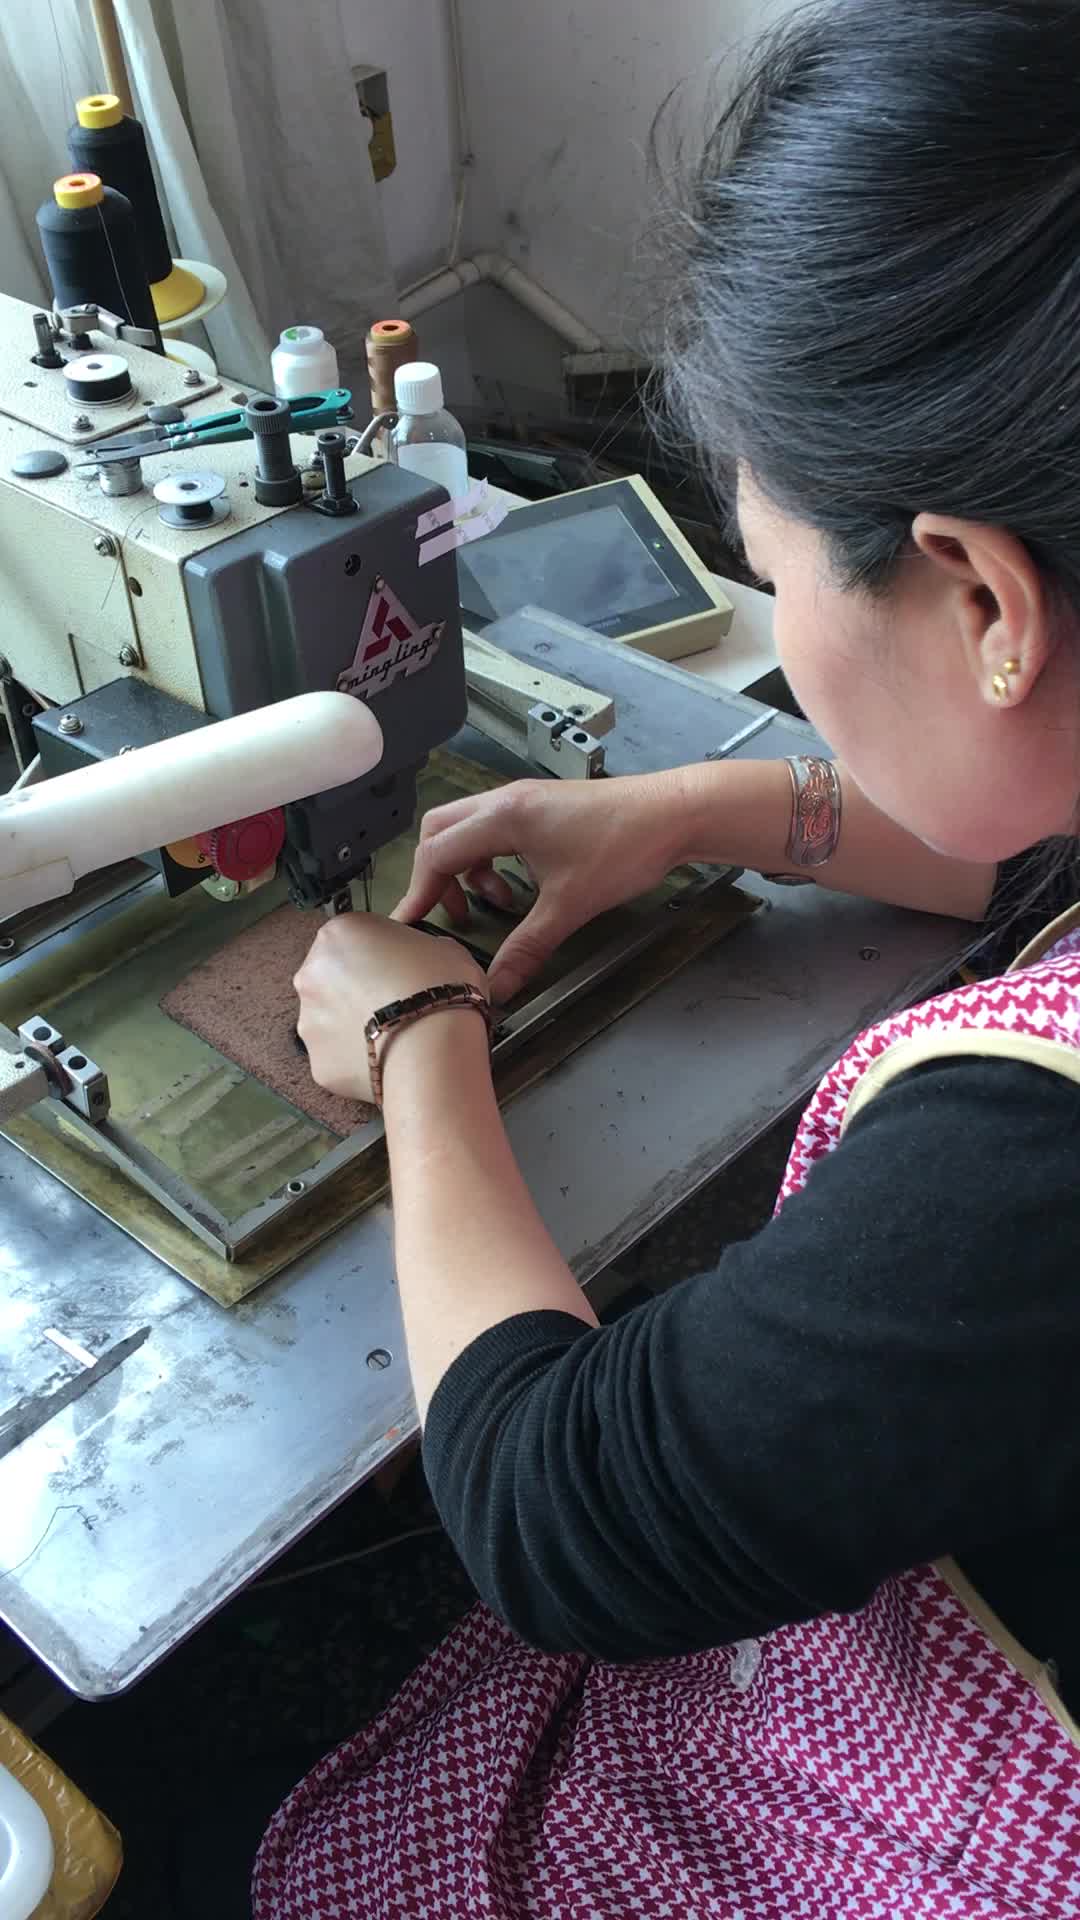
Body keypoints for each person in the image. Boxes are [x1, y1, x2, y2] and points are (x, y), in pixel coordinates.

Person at [255, 2, 1080, 1912]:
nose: (780, 641)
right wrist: (725, 805)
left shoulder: (1023, 1185)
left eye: (776, 579)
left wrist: (422, 1038)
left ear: (982, 598)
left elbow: (564, 1517)